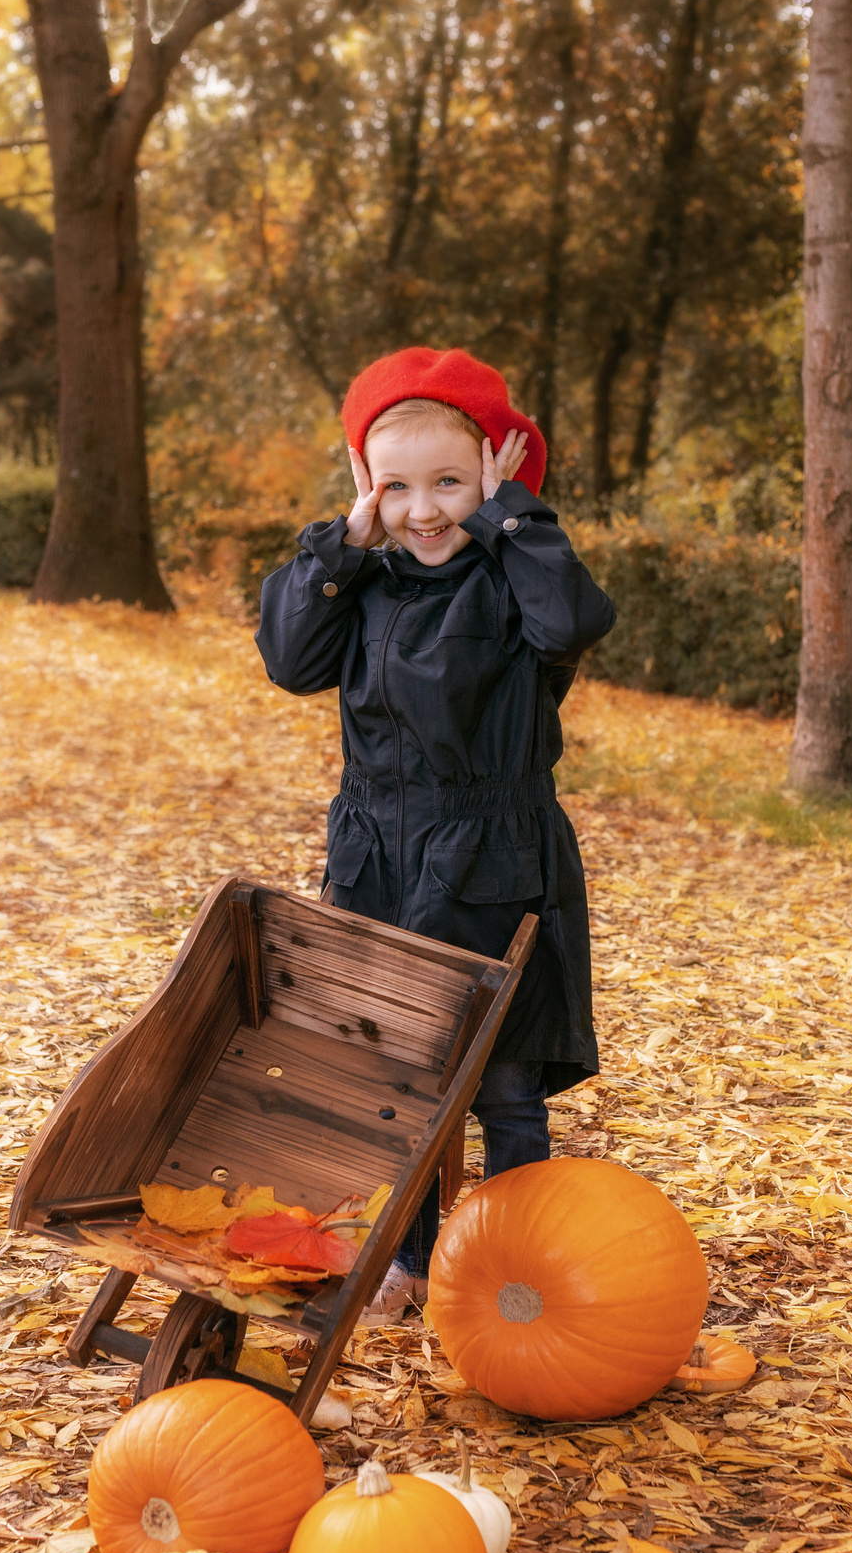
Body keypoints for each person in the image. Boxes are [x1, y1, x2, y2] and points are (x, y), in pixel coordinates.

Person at [256, 347, 617, 1323]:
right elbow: (288, 660)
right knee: (397, 1078)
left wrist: (510, 519)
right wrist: (342, 543)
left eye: (450, 483)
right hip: (378, 857)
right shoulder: (361, 581)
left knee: (503, 1082)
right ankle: (407, 1261)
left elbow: (572, 620)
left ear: (496, 474)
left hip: (491, 859)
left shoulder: (515, 580)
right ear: (366, 485)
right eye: (397, 486)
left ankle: (518, 1276)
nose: (423, 510)